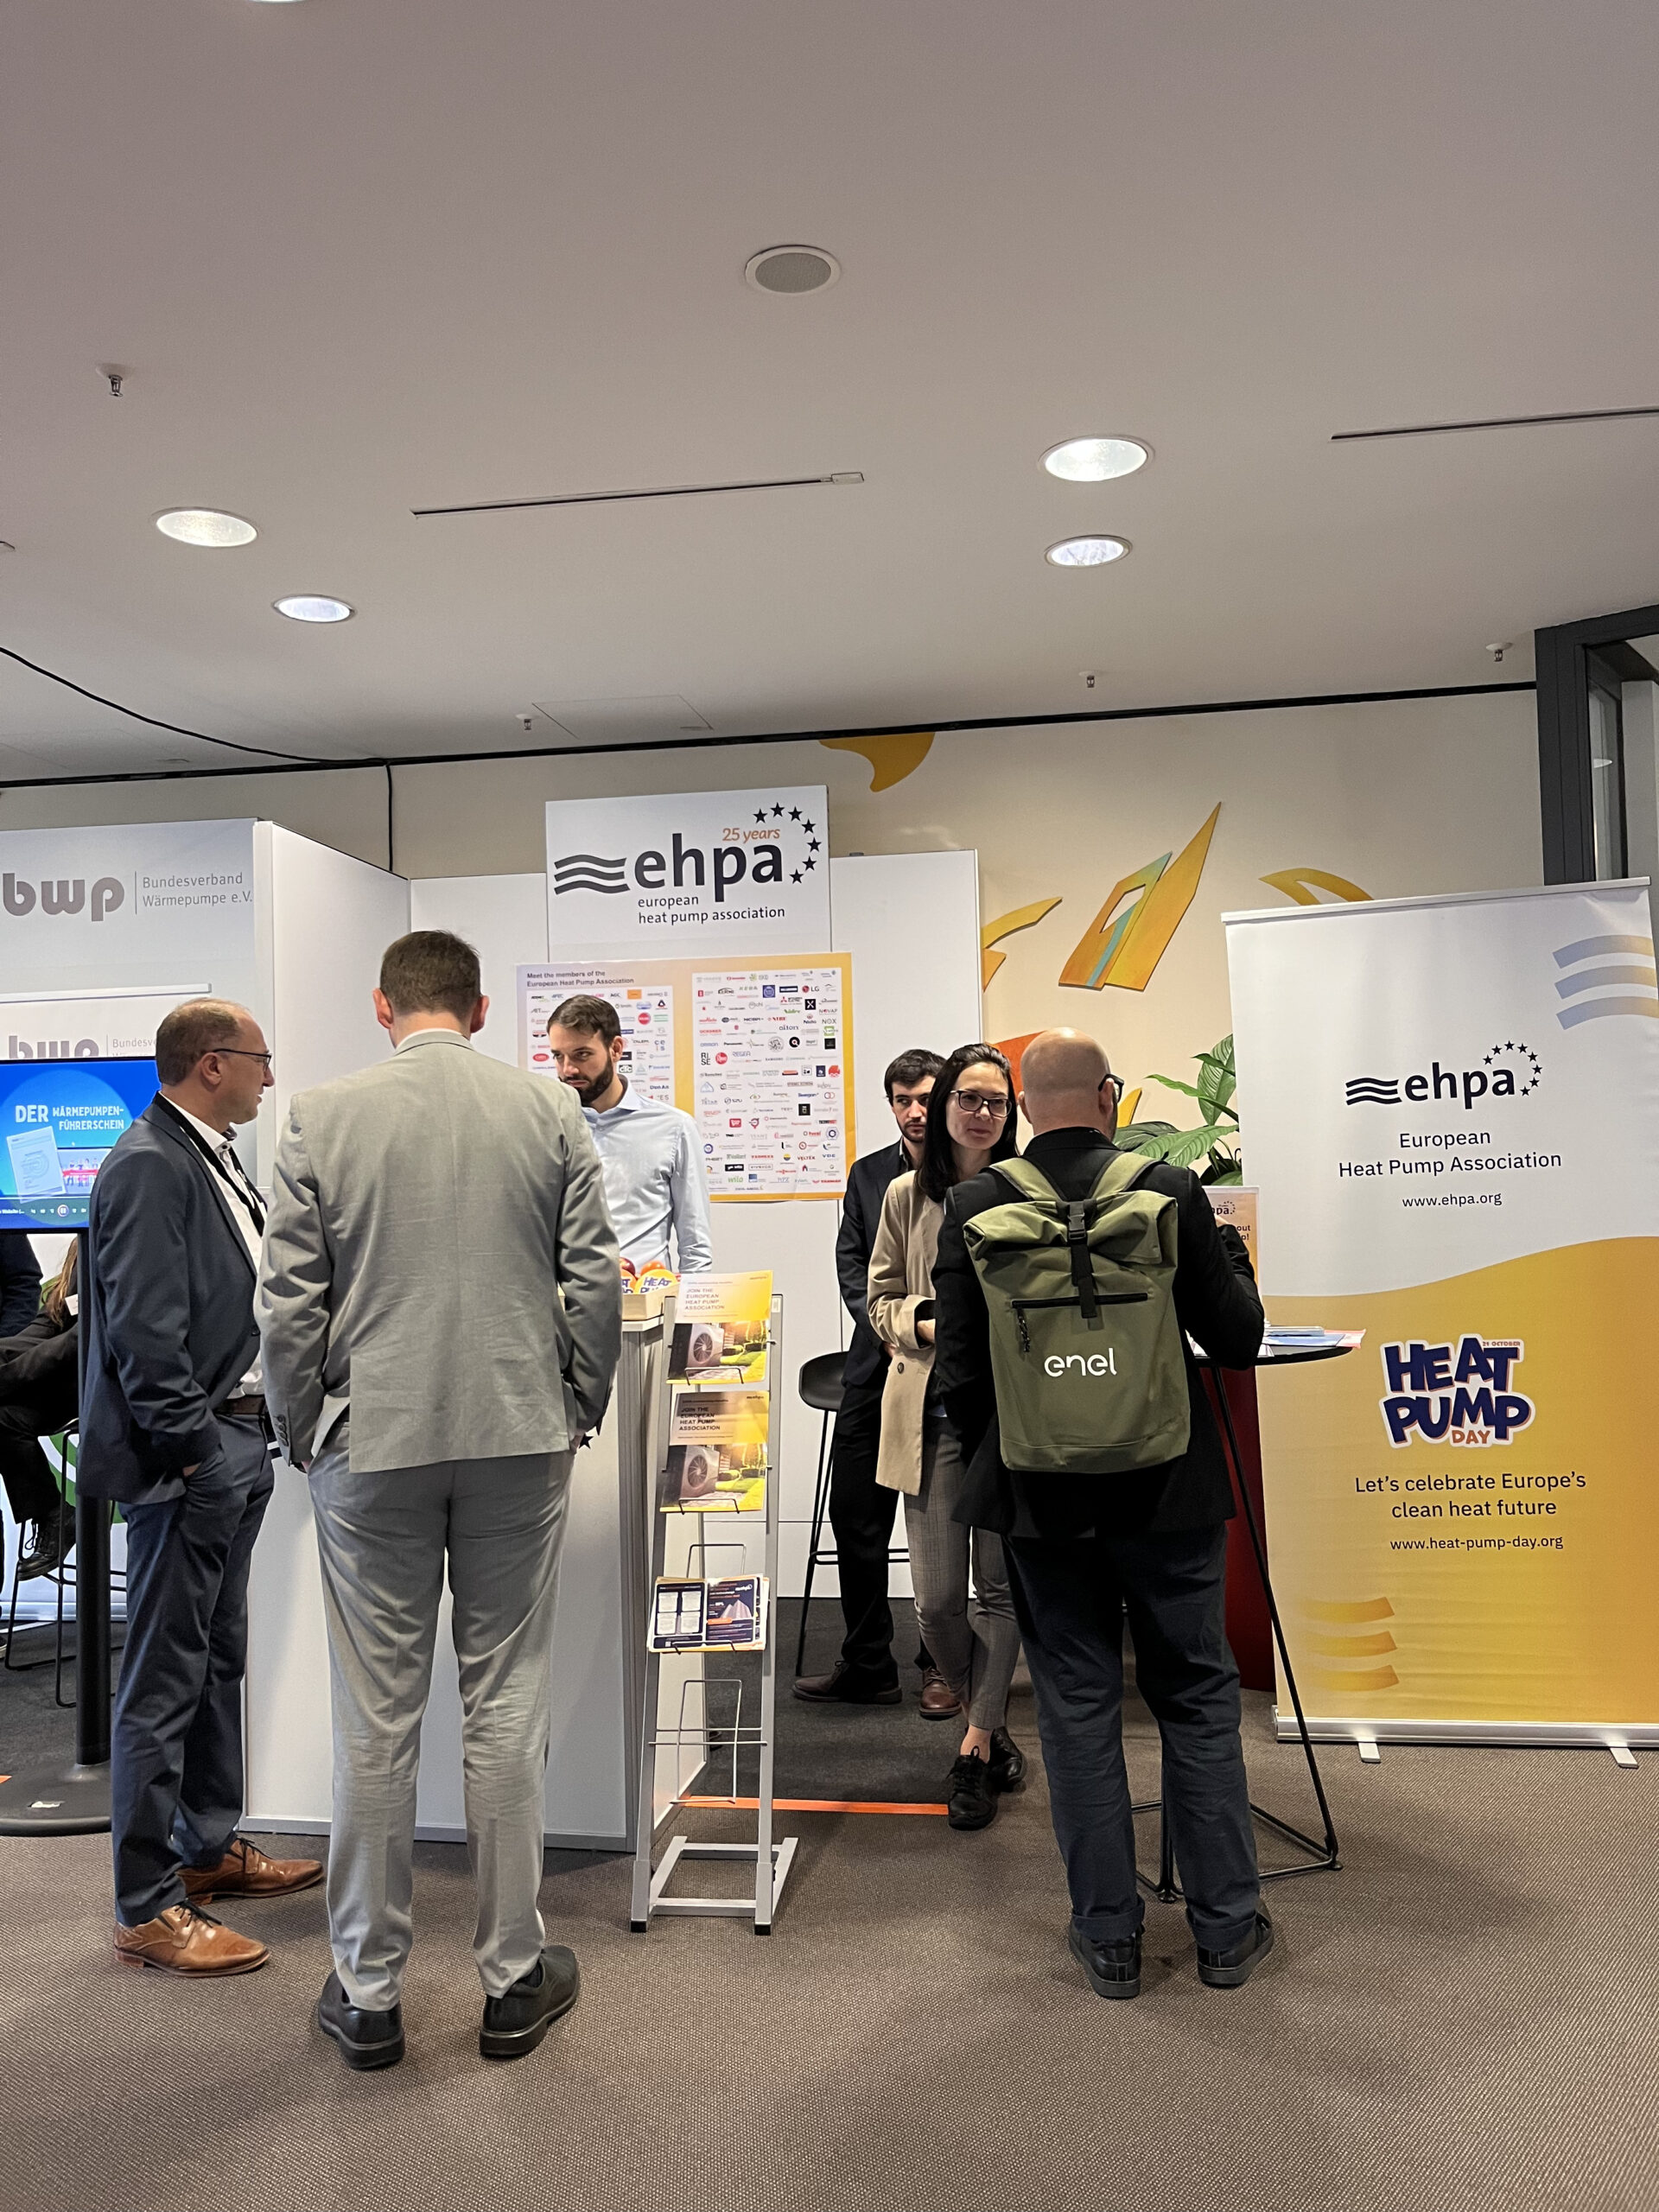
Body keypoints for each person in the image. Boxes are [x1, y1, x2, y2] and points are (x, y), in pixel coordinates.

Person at [258, 931, 621, 2072]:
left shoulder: (319, 1116)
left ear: (384, 1006)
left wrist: (304, 1427)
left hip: (372, 1441)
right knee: (506, 1702)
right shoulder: (548, 1109)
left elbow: (288, 1304)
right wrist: (579, 1398)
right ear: (479, 1008)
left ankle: (370, 1992)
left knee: (376, 1718)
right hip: (519, 1432)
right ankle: (512, 1977)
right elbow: (593, 1278)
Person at [932, 1028, 1269, 1998]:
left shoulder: (975, 1205)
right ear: (1110, 1096)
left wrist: (1026, 1452)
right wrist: (1233, 1264)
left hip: (1043, 1505)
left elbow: (961, 1377)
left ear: (1024, 1106)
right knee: (1196, 1699)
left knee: (1077, 1711)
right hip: (1168, 1492)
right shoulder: (1170, 1191)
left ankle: (1110, 1938)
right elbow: (1237, 1340)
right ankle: (1226, 1931)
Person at [80, 999, 322, 1980]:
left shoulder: (210, 1155)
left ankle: (207, 1846)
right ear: (212, 1063)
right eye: (261, 1058)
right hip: (196, 1455)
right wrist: (193, 1454)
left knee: (218, 1659)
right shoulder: (148, 1164)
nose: (272, 1074)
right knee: (164, 1677)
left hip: (239, 1440)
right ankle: (146, 1904)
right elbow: (145, 1333)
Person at [868, 1043, 1027, 1829]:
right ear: (944, 1105)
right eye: (969, 1098)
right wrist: (927, 1320)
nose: (982, 1113)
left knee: (998, 1590)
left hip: (1009, 1417)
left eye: (997, 1102)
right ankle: (986, 1721)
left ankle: (975, 1744)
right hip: (930, 1415)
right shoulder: (905, 1195)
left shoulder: (1024, 1190)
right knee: (935, 1604)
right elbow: (879, 1299)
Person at [794, 1048, 954, 1711]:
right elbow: (853, 1269)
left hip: (945, 1375)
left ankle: (942, 1667)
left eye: (925, 1099)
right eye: (902, 1100)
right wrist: (894, 1332)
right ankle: (867, 1664)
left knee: (937, 1529)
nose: (914, 1112)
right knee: (856, 1519)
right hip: (876, 1366)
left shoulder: (972, 1174)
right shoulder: (866, 1175)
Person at [544, 994, 713, 1273]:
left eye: (582, 1054)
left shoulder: (674, 1128)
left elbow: (695, 1245)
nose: (568, 1069)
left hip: (646, 1295)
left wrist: (694, 1301)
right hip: (564, 1298)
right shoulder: (544, 1128)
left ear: (616, 1049)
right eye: (558, 1056)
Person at [0, 1243, 79, 1582]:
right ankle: (54, 1513)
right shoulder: (82, 1252)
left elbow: (76, 1341)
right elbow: (46, 1326)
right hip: (61, 1367)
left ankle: (54, 1513)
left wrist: (9, 1371)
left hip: (96, 1384)